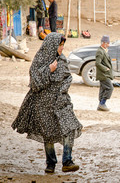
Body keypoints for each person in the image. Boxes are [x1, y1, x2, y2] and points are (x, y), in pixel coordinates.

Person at [11, 32, 83, 173]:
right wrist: (49, 70)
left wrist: (62, 91)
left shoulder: (62, 59)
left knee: (70, 127)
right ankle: (50, 164)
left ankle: (67, 161)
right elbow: (35, 84)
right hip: (43, 104)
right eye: (59, 45)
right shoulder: (39, 61)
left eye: (62, 45)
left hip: (61, 102)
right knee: (48, 134)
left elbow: (68, 78)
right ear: (51, 45)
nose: (62, 48)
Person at [96, 35, 114, 111]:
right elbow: (97, 63)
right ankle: (102, 103)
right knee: (110, 88)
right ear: (103, 43)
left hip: (104, 74)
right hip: (103, 74)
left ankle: (100, 106)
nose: (109, 45)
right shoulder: (100, 51)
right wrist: (105, 69)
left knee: (103, 89)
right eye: (108, 43)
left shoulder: (104, 50)